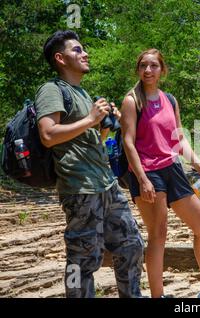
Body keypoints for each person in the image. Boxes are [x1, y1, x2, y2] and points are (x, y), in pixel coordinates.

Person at [120, 48, 200, 298]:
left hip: (172, 168)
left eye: (153, 66)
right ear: (137, 70)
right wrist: (142, 179)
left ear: (162, 70)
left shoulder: (170, 100)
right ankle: (157, 295)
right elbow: (128, 143)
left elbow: (178, 140)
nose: (148, 70)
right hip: (147, 172)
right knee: (158, 233)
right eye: (143, 66)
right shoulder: (132, 100)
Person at [36, 30, 144, 298]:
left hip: (106, 184)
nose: (85, 54)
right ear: (60, 58)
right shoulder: (51, 90)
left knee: (131, 246)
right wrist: (90, 119)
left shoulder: (82, 92)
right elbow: (48, 135)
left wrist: (105, 124)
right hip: (79, 187)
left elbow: (89, 139)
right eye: (77, 50)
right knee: (82, 260)